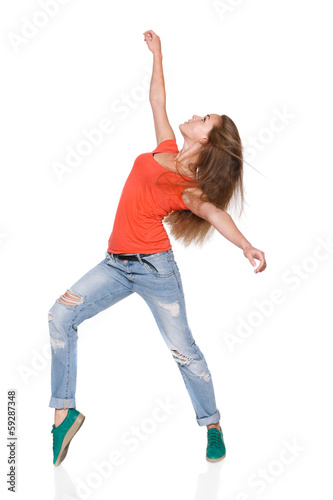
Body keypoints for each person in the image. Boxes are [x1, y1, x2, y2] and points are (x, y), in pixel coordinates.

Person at [49, 29, 267, 467]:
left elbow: (216, 215)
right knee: (60, 314)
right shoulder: (165, 148)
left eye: (205, 119)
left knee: (184, 351)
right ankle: (63, 414)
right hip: (114, 264)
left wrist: (246, 246)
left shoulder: (188, 188)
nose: (197, 116)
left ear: (206, 141)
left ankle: (213, 425)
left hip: (154, 270)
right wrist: (158, 54)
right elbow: (157, 100)